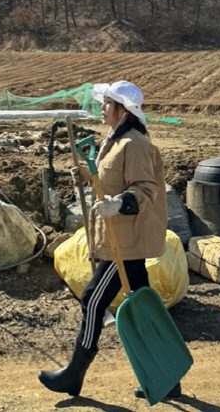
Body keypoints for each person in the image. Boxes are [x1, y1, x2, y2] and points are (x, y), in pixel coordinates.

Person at [38, 81, 181, 399]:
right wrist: (87, 177)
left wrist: (119, 203)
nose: (101, 108)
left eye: (106, 103)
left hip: (126, 244)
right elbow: (108, 179)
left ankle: (74, 375)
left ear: (122, 110)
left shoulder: (136, 145)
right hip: (119, 239)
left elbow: (145, 189)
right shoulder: (112, 143)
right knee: (142, 308)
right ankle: (169, 378)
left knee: (92, 299)